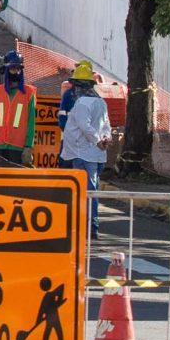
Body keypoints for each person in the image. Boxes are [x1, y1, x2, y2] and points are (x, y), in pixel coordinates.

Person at [60, 61, 110, 238]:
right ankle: (92, 226)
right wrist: (105, 141)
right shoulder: (100, 102)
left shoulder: (81, 103)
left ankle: (83, 226)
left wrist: (98, 141)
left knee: (81, 192)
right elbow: (106, 127)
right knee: (92, 191)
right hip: (96, 155)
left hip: (82, 153)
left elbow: (84, 126)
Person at [0, 49, 37, 166]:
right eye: (13, 69)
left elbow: (31, 122)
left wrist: (28, 147)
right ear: (6, 70)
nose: (16, 72)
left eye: (18, 69)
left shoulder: (29, 93)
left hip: (18, 147)